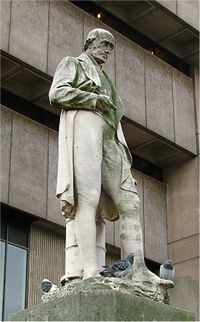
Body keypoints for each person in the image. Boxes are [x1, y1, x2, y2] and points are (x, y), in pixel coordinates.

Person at [49, 28, 169, 286]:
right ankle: (91, 268)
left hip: (110, 138)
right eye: (103, 45)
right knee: (87, 198)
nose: (107, 51)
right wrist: (92, 99)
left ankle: (138, 270)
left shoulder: (107, 80)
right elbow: (56, 93)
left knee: (130, 203)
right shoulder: (73, 64)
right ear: (89, 43)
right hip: (86, 130)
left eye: (110, 48)